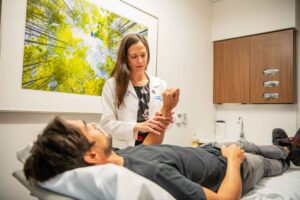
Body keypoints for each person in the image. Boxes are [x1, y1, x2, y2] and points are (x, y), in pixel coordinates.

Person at [23, 98, 300, 200]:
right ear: (91, 155)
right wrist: (231, 160)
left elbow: (151, 146)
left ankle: (284, 145)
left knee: (252, 143)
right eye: (88, 128)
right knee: (268, 164)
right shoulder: (148, 176)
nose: (96, 124)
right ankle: (289, 154)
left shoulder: (118, 156)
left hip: (212, 149)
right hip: (235, 167)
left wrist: (166, 110)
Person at [101, 33, 172, 148]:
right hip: (124, 150)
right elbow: (107, 124)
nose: (140, 61)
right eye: (134, 56)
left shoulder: (160, 84)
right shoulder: (112, 85)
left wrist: (167, 119)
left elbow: (164, 127)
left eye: (143, 55)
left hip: (152, 149)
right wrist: (137, 126)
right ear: (125, 58)